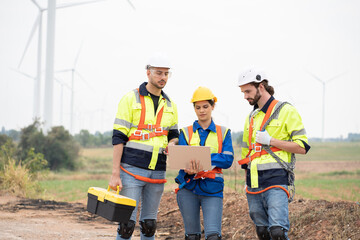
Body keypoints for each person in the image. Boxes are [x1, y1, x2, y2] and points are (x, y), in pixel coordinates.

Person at [109, 53, 179, 240]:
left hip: (157, 171)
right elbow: (118, 137)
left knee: (149, 226)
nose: (162, 77)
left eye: (166, 74)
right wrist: (115, 173)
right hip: (131, 171)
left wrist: (172, 144)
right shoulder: (130, 99)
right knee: (126, 225)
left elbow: (173, 135)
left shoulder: (170, 105)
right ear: (148, 73)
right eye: (158, 73)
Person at [237, 68, 311, 240]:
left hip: (276, 179)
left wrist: (272, 141)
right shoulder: (251, 118)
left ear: (261, 87)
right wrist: (247, 179)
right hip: (253, 183)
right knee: (262, 233)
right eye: (243, 92)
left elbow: (302, 147)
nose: (245, 96)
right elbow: (246, 153)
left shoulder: (285, 111)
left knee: (277, 232)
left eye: (248, 91)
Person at [174, 87, 234, 240]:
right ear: (194, 108)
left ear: (213, 106)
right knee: (192, 236)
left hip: (212, 188)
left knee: (213, 236)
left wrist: (203, 159)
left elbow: (227, 159)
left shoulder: (224, 132)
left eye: (205, 106)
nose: (202, 110)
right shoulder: (185, 132)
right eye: (198, 107)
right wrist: (188, 168)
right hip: (188, 188)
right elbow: (181, 159)